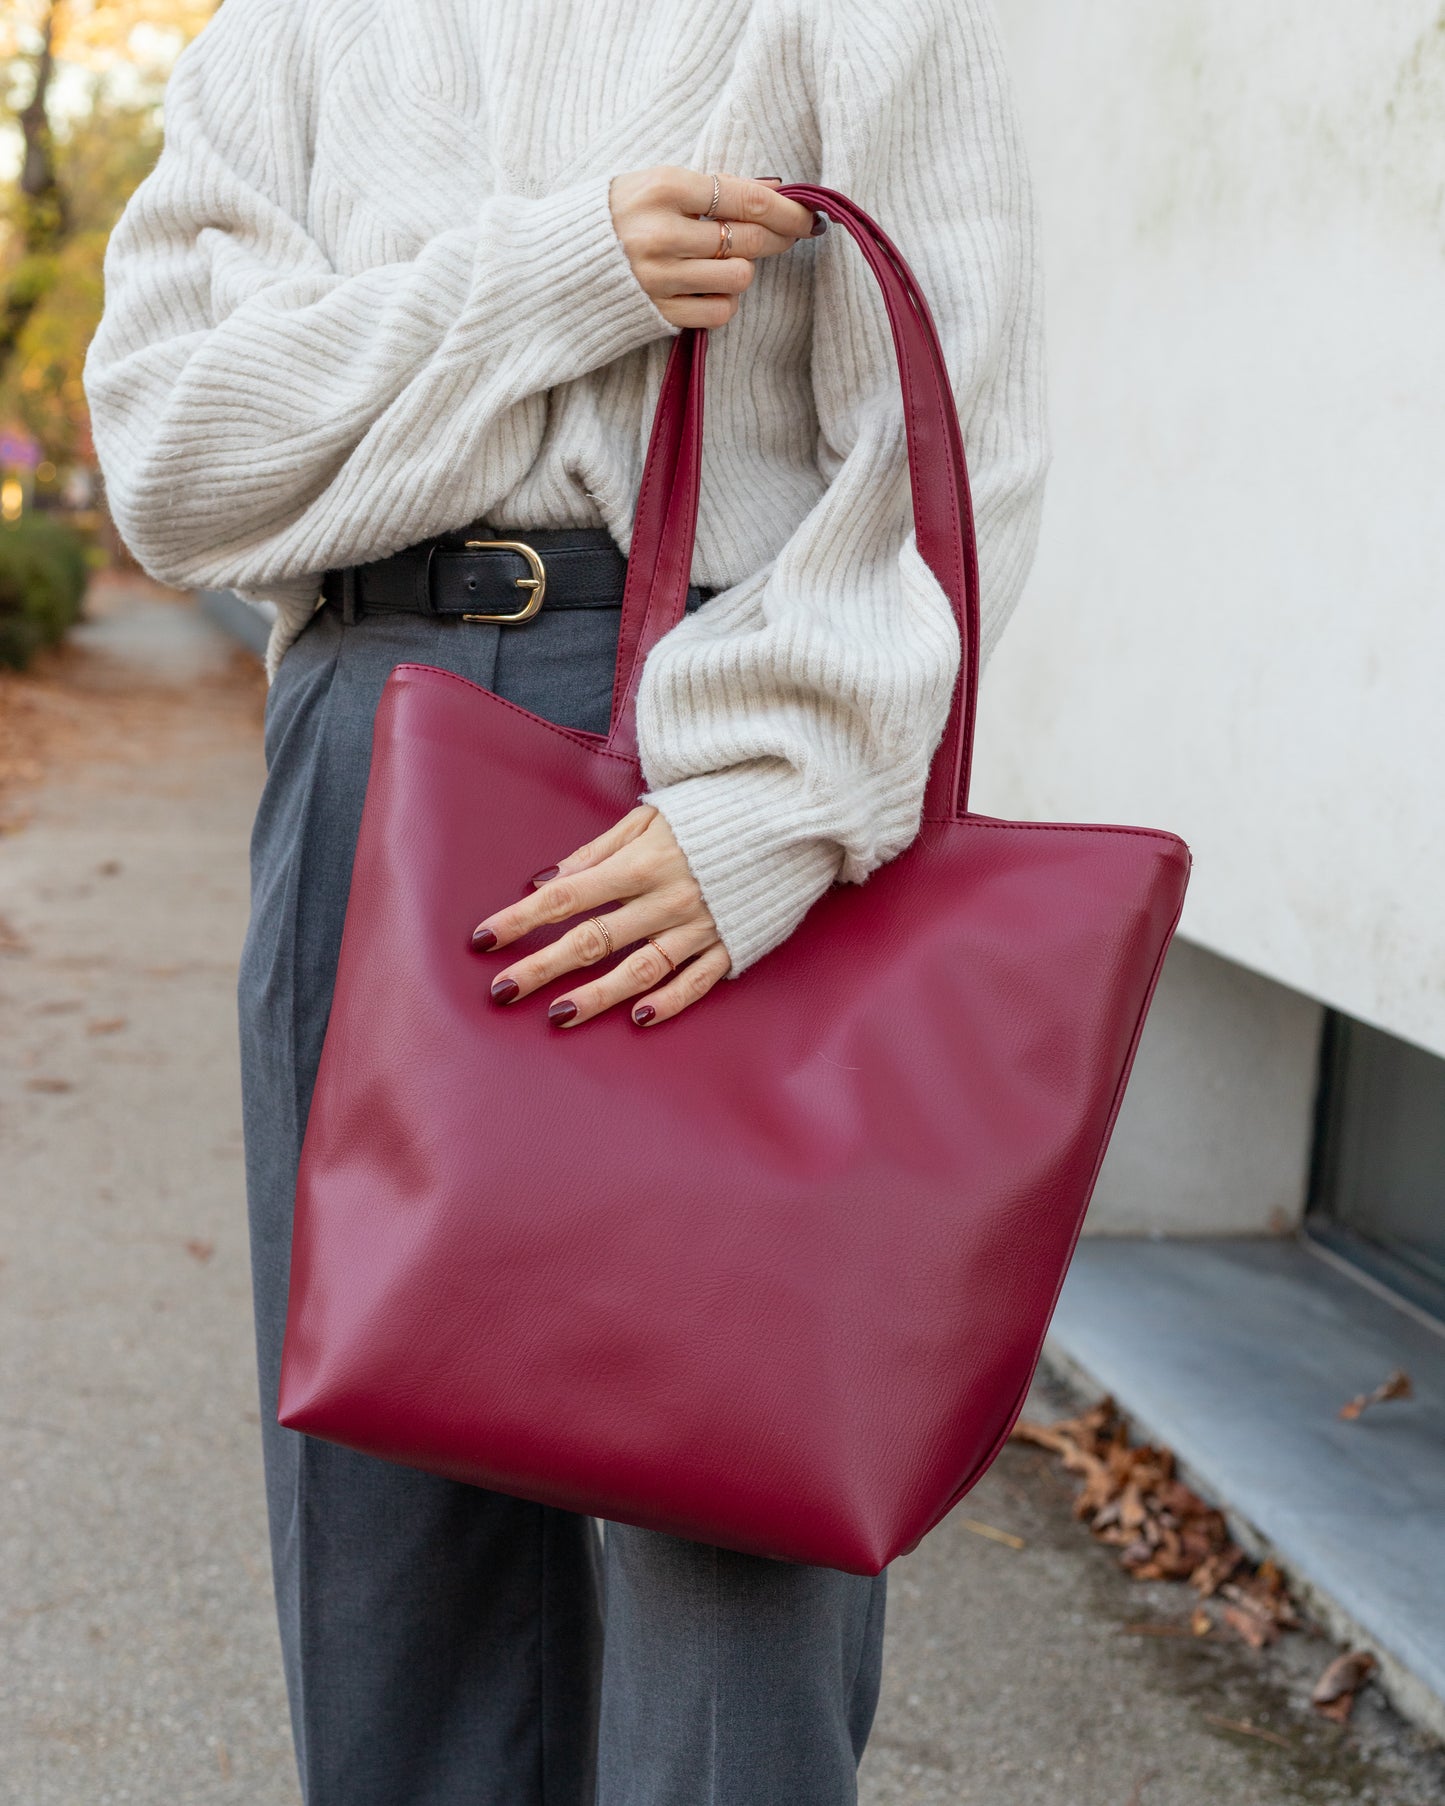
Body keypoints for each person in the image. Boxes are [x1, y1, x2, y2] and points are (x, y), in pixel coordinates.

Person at [84, 0, 1047, 1799]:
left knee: (730, 1512)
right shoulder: (279, 39)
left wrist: (778, 806)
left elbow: (950, 439)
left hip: (720, 755)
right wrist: (557, 277)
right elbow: (178, 459)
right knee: (387, 1514)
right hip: (374, 737)